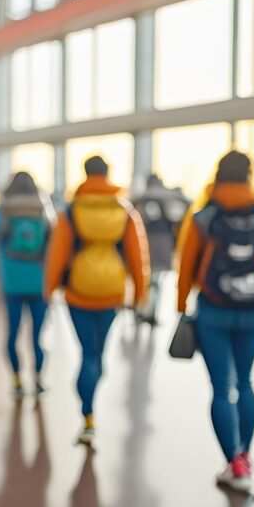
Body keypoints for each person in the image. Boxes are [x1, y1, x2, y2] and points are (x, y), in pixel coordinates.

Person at [176, 151, 254, 493]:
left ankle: (233, 462)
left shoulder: (204, 218)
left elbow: (186, 265)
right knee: (246, 383)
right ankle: (245, 456)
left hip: (213, 312)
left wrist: (180, 307)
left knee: (222, 388)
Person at [44, 155, 149, 446]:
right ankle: (92, 394)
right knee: (99, 355)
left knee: (86, 353)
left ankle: (87, 416)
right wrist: (141, 294)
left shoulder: (71, 211)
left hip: (78, 292)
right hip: (111, 291)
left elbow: (58, 253)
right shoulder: (125, 210)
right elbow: (138, 256)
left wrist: (50, 288)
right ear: (108, 174)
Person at [0, 172, 56, 398]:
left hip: (12, 282)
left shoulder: (5, 207)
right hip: (39, 281)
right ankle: (38, 379)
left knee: (12, 333)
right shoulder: (43, 206)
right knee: (37, 335)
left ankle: (16, 380)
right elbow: (54, 236)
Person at [131, 174, 190, 324]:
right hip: (163, 242)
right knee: (157, 280)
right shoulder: (168, 197)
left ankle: (140, 308)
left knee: (143, 277)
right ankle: (151, 311)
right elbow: (185, 208)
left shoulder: (142, 197)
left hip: (144, 240)